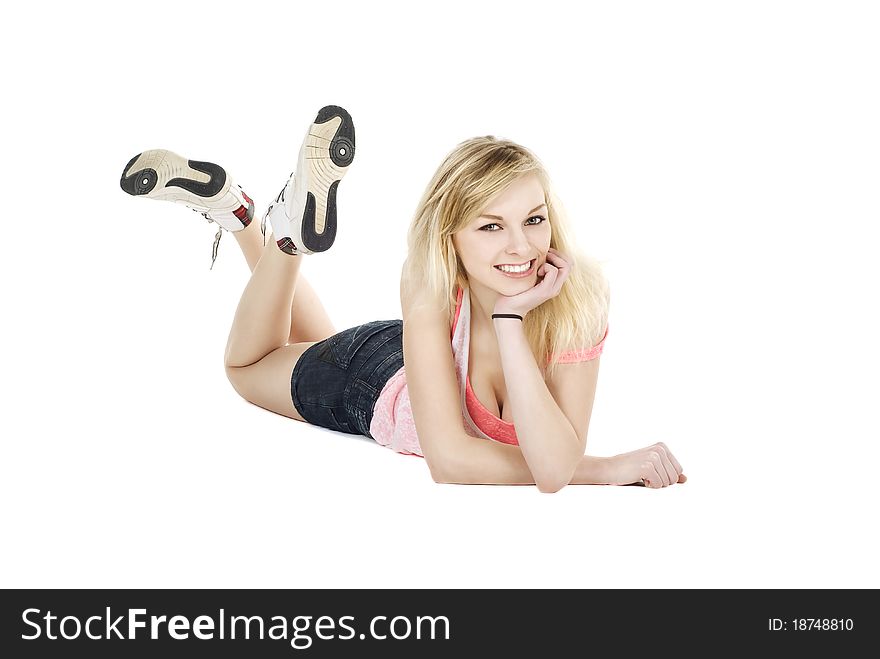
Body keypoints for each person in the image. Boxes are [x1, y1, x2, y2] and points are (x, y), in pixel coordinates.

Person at [120, 104, 686, 493]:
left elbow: (555, 465)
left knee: (312, 344)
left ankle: (242, 215)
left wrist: (513, 320)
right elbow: (453, 462)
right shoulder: (428, 282)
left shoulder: (578, 299)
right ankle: (283, 238)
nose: (523, 247)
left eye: (533, 220)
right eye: (490, 227)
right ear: (452, 240)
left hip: (412, 353)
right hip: (367, 383)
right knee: (245, 367)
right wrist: (606, 468)